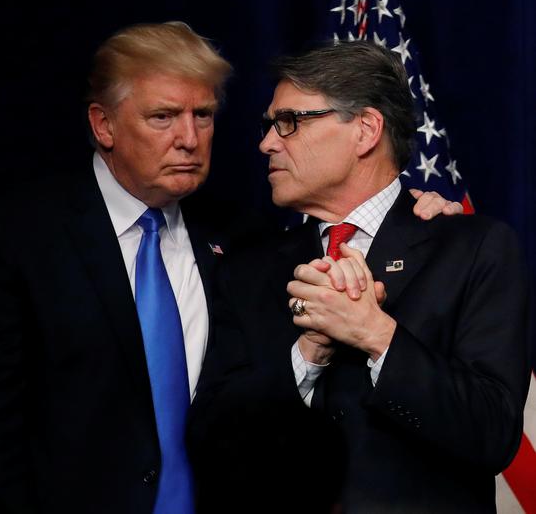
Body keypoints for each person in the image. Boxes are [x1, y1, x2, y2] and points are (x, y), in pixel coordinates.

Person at [0, 23, 461, 513]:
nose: (189, 139)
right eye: (163, 117)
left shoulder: (244, 238)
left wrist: (407, 211)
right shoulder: (18, 237)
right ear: (102, 124)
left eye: (204, 115)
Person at [189, 41, 532, 513]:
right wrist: (308, 353)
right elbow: (212, 439)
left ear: (366, 130)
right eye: (269, 125)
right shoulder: (247, 268)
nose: (266, 143)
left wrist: (375, 334)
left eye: (289, 122)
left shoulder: (473, 249)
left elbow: (492, 435)